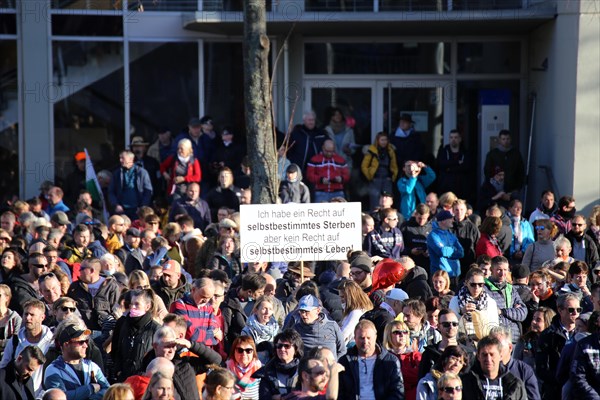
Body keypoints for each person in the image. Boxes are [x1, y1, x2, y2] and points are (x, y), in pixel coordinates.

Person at [337, 319, 404, 400]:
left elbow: (398, 391)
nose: (365, 341)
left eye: (369, 338)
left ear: (375, 337)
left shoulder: (390, 361)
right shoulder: (345, 362)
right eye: (362, 338)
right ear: (355, 338)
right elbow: (340, 392)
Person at [43, 321, 109, 399]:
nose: (86, 345)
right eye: (81, 342)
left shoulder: (92, 366)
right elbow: (60, 397)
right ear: (66, 344)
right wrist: (90, 388)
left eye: (86, 341)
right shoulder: (53, 370)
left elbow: (108, 391)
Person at [536, 293, 580, 400]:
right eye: (571, 310)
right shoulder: (548, 335)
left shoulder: (584, 333)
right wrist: (563, 379)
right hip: (555, 391)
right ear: (560, 310)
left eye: (578, 309)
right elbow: (542, 369)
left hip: (579, 390)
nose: (575, 313)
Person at [112, 289, 162, 382]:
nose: (133, 307)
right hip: (124, 379)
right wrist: (118, 371)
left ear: (147, 306)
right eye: (132, 304)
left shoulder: (155, 329)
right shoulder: (124, 323)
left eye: (137, 304)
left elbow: (156, 356)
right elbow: (117, 350)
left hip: (143, 380)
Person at [461, 335, 527, 399]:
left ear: (500, 356)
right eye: (484, 355)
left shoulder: (514, 383)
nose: (488, 359)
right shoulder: (467, 382)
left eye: (492, 354)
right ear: (478, 356)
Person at [68, 258, 121, 335]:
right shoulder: (75, 287)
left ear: (92, 271)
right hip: (82, 334)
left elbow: (116, 311)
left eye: (82, 268)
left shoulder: (111, 286)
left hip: (105, 334)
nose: (79, 271)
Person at [488, 326, 541, 400]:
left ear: (510, 347)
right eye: (491, 347)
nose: (495, 350)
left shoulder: (524, 371)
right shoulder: (482, 370)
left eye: (499, 346)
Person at [484, 256, 527, 343]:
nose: (502, 273)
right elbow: (491, 314)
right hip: (495, 339)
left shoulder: (511, 289)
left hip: (514, 338)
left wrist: (503, 312)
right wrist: (513, 311)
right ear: (491, 270)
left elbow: (523, 313)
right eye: (499, 270)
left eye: (505, 270)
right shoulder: (485, 289)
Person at [169, 277, 222, 346]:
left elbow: (215, 340)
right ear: (193, 290)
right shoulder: (179, 305)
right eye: (203, 296)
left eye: (209, 298)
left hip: (204, 353)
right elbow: (190, 334)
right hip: (184, 354)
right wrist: (212, 333)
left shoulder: (208, 307)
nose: (206, 301)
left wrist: (203, 336)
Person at [449, 267, 499, 338]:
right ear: (466, 283)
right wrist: (461, 313)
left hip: (483, 342)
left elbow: (494, 327)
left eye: (480, 284)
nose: (476, 287)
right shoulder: (455, 300)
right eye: (473, 284)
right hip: (462, 341)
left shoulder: (490, 302)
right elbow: (449, 325)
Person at [293, 294, 345, 359]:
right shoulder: (296, 329)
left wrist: (334, 366)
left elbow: (342, 350)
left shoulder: (332, 326)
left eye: (306, 311)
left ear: (317, 311)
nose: (303, 314)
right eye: (301, 311)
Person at [108, 150, 153, 219]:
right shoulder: (117, 173)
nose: (120, 160)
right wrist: (116, 205)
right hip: (121, 210)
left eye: (123, 158)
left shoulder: (142, 173)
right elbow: (111, 191)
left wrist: (142, 207)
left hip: (137, 210)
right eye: (120, 158)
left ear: (131, 159)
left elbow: (148, 192)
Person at [383, 319, 421, 400]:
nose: (402, 335)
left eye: (405, 332)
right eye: (397, 332)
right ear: (389, 335)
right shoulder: (383, 358)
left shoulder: (415, 356)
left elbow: (420, 375)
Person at [426, 211, 464, 288]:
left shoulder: (451, 235)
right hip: (440, 276)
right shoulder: (433, 235)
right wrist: (453, 250)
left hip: (454, 275)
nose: (453, 220)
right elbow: (441, 251)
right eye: (450, 218)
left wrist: (448, 250)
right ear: (443, 221)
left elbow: (461, 252)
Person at [361, 132, 399, 210]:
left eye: (385, 140)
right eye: (382, 140)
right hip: (375, 179)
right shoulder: (371, 151)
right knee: (375, 201)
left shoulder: (390, 151)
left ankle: (386, 215)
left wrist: (393, 176)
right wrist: (369, 175)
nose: (384, 142)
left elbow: (394, 165)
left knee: (387, 200)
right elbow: (364, 165)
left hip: (387, 179)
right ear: (377, 140)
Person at [483, 129, 525, 194]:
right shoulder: (492, 154)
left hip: (512, 189)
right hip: (495, 189)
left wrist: (518, 187)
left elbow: (521, 171)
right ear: (499, 140)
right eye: (503, 139)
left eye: (507, 139)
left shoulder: (516, 153)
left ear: (510, 139)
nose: (506, 141)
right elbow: (487, 171)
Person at [240, 296, 279, 363]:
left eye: (270, 309)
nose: (267, 312)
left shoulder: (276, 330)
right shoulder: (248, 331)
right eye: (264, 308)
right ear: (256, 311)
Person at [436, 129, 471, 201]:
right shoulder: (444, 151)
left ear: (460, 139)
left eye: (455, 137)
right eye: (451, 137)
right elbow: (441, 165)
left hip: (461, 187)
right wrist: (457, 162)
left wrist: (449, 168)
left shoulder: (465, 152)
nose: (453, 139)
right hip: (446, 186)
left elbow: (466, 168)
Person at [225, 335, 262, 400]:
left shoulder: (260, 370)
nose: (244, 354)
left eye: (248, 350)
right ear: (234, 351)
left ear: (253, 353)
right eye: (240, 350)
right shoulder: (226, 369)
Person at [338, 280, 373, 346]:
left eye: (342, 297)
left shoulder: (355, 313)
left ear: (350, 296)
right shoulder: (357, 310)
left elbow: (344, 334)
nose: (340, 299)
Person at [401, 203, 432, 272]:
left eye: (424, 218)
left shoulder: (432, 227)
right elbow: (400, 246)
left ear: (428, 216)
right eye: (419, 218)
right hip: (410, 262)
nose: (421, 221)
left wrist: (429, 252)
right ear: (415, 214)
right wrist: (410, 251)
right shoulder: (406, 226)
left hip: (426, 263)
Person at [0, 284, 21, 356]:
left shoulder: (15, 318)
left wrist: (1, 343)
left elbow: (17, 340)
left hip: (8, 355)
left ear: (7, 298)